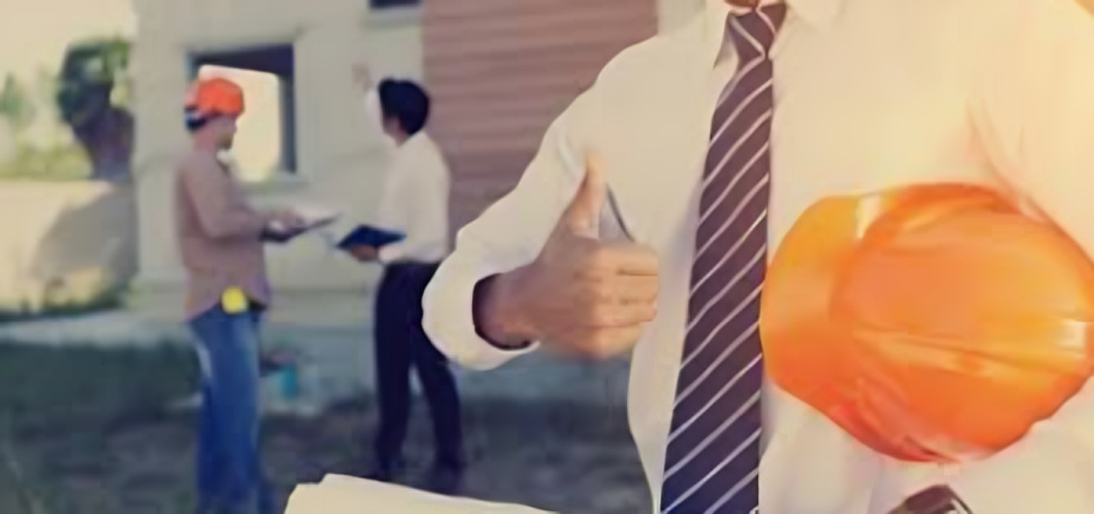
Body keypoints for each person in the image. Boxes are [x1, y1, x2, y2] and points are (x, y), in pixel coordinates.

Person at [421, 0, 1094, 513]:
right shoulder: (630, 93)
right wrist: (517, 301)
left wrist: (997, 502)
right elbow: (453, 295)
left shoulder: (993, 26)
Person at [175, 77, 306, 514]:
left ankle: (214, 502)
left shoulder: (213, 165)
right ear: (216, 115)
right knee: (239, 417)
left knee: (221, 416)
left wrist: (273, 228)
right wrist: (270, 217)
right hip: (221, 304)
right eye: (234, 117)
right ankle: (254, 506)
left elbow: (233, 222)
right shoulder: (200, 166)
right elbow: (217, 222)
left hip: (230, 302)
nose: (237, 126)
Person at [348, 66, 464, 495]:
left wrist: (380, 253)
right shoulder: (403, 150)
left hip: (417, 279)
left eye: (380, 111)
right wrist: (368, 84)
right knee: (391, 371)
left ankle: (450, 457)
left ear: (394, 120)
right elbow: (374, 111)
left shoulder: (423, 163)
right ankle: (387, 455)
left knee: (431, 371)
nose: (375, 119)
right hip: (398, 277)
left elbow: (431, 237)